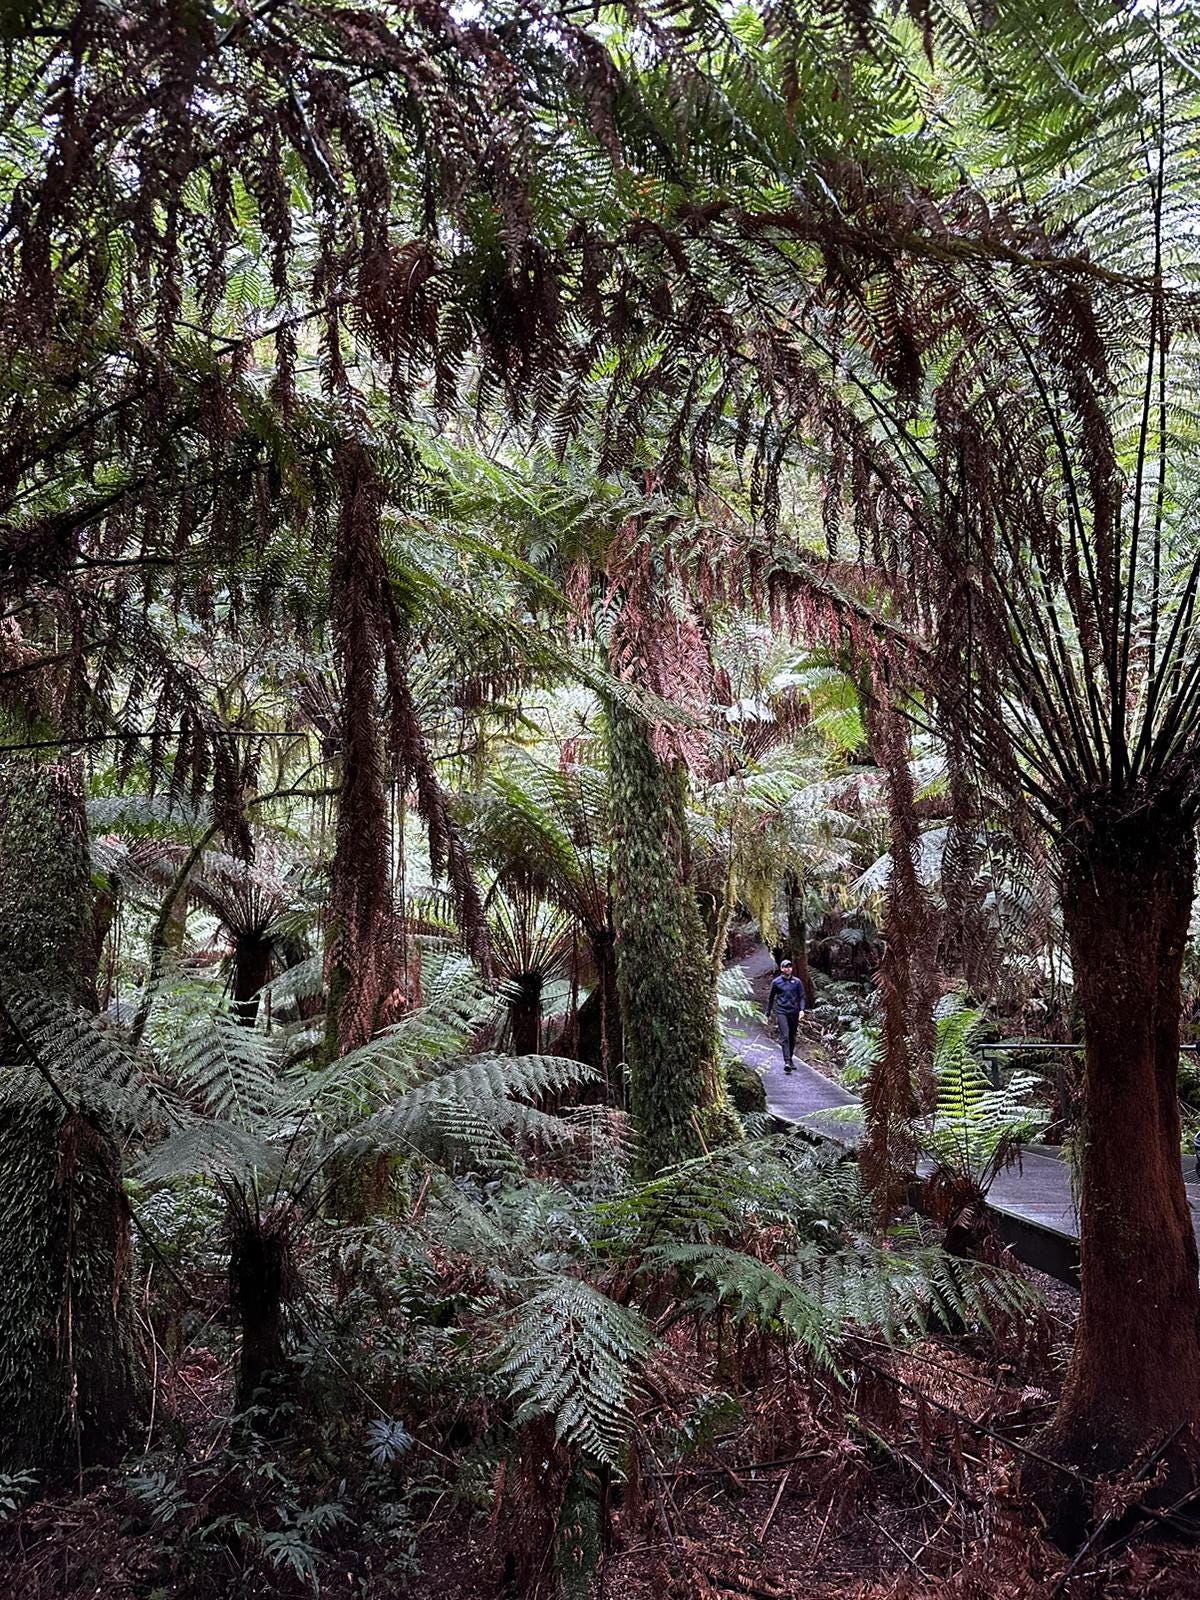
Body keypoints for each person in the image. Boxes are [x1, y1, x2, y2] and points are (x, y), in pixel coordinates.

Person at [765, 958, 806, 1072]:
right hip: (782, 1011)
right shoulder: (776, 982)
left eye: (789, 966)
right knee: (785, 1035)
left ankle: (791, 1058)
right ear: (781, 968)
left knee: (792, 1036)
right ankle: (787, 1061)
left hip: (794, 1012)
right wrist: (768, 1013)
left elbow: (802, 996)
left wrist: (802, 1009)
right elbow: (771, 998)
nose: (788, 969)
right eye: (785, 967)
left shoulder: (797, 982)